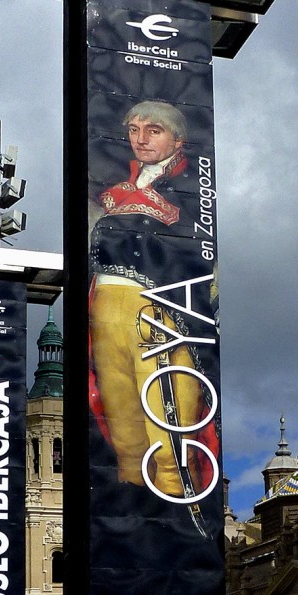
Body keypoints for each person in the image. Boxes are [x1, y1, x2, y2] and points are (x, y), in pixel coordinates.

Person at [88, 101, 217, 515]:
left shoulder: (189, 187)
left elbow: (198, 256)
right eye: (134, 129)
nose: (140, 139)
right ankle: (133, 517)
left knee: (167, 428)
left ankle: (175, 516)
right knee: (122, 424)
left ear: (177, 141)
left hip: (154, 307)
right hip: (106, 306)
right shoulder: (119, 184)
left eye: (153, 130)